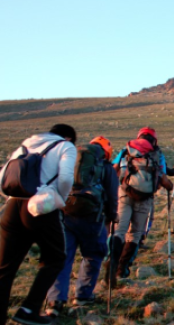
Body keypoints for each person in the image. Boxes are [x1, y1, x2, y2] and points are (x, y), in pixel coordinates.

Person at [0, 124, 77, 325]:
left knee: (4, 269)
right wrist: (59, 200)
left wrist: (14, 198)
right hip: (41, 205)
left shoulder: (25, 146)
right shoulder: (66, 147)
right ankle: (29, 309)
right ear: (68, 138)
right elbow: (65, 178)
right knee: (55, 258)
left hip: (12, 206)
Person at [45, 136, 119, 317]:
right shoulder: (105, 168)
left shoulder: (68, 161)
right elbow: (112, 194)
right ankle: (83, 295)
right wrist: (111, 217)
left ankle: (54, 301)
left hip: (64, 214)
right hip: (92, 218)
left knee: (62, 257)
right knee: (93, 255)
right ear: (106, 152)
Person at [105, 127, 171, 288]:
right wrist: (168, 187)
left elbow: (114, 168)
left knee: (119, 230)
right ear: (154, 140)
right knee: (135, 234)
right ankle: (123, 268)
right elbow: (163, 178)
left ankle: (111, 262)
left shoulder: (127, 150)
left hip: (124, 193)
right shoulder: (157, 154)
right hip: (145, 197)